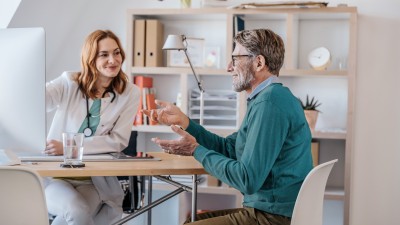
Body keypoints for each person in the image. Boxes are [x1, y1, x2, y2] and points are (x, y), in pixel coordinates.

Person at [143, 29, 313, 225]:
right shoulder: (268, 98)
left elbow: (247, 179)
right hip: (270, 211)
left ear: (259, 62)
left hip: (272, 217)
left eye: (235, 58)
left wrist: (195, 150)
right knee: (191, 220)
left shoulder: (270, 103)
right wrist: (186, 123)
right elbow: (230, 148)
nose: (228, 67)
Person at [44, 29, 140, 225]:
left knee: (73, 217)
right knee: (76, 212)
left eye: (117, 52)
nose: (113, 60)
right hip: (56, 178)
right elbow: (37, 100)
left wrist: (69, 147)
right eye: (104, 55)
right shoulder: (68, 83)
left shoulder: (130, 93)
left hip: (94, 181)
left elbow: (118, 141)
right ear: (90, 59)